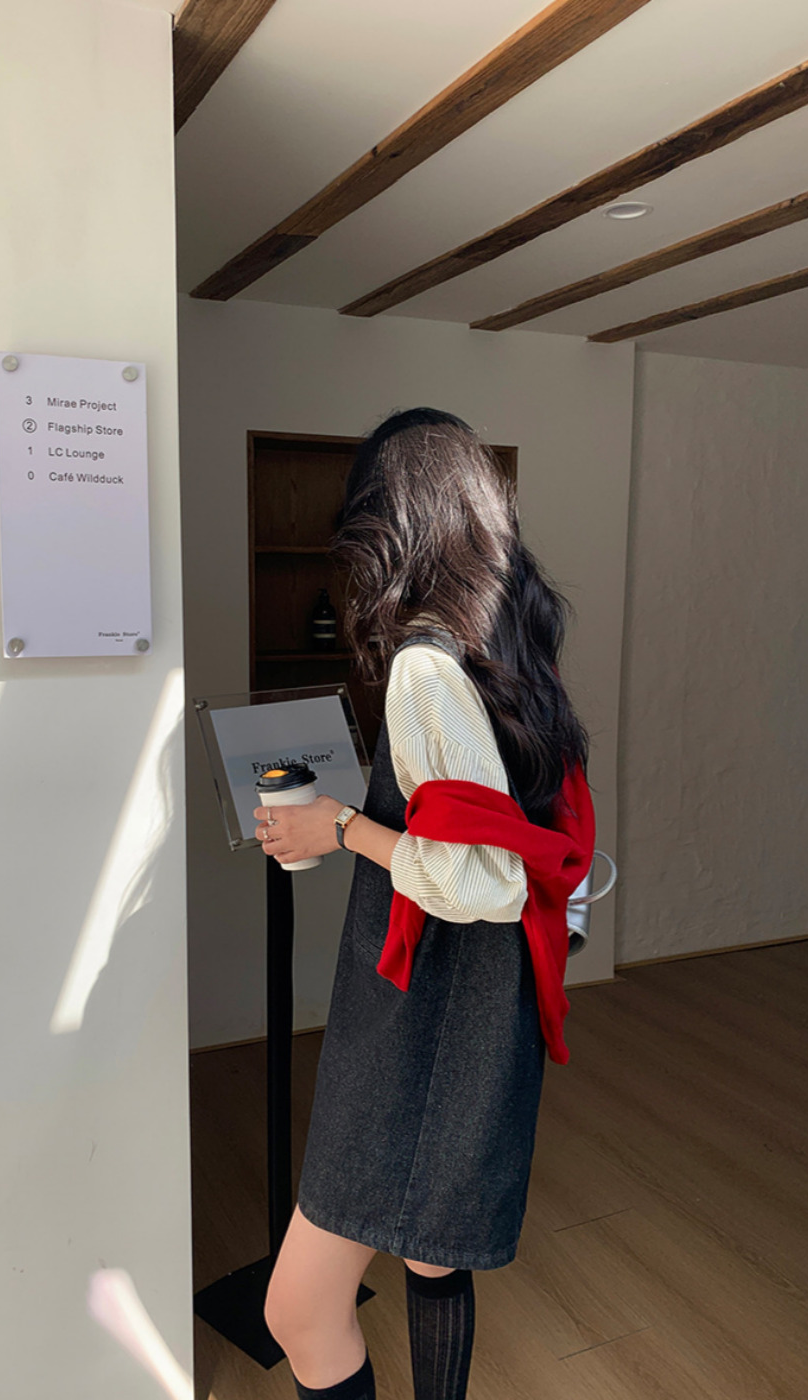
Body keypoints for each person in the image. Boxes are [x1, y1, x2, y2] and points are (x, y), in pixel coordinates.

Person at [252, 408, 593, 1400]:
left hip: (420, 1025)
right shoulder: (511, 640)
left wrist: (339, 827)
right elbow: (516, 829)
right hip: (484, 1009)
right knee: (432, 1251)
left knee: (298, 1312)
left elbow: (479, 878)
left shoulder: (424, 665)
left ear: (386, 523)